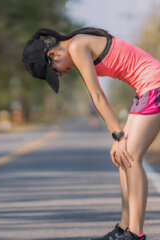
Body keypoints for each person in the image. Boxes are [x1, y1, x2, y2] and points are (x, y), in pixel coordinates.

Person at [22, 27, 160, 240]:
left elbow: (97, 95)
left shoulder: (77, 46)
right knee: (123, 158)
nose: (60, 73)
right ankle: (124, 229)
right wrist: (118, 139)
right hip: (145, 88)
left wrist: (118, 136)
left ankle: (136, 233)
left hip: (155, 85)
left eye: (55, 71)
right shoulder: (78, 45)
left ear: (53, 54)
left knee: (131, 157)